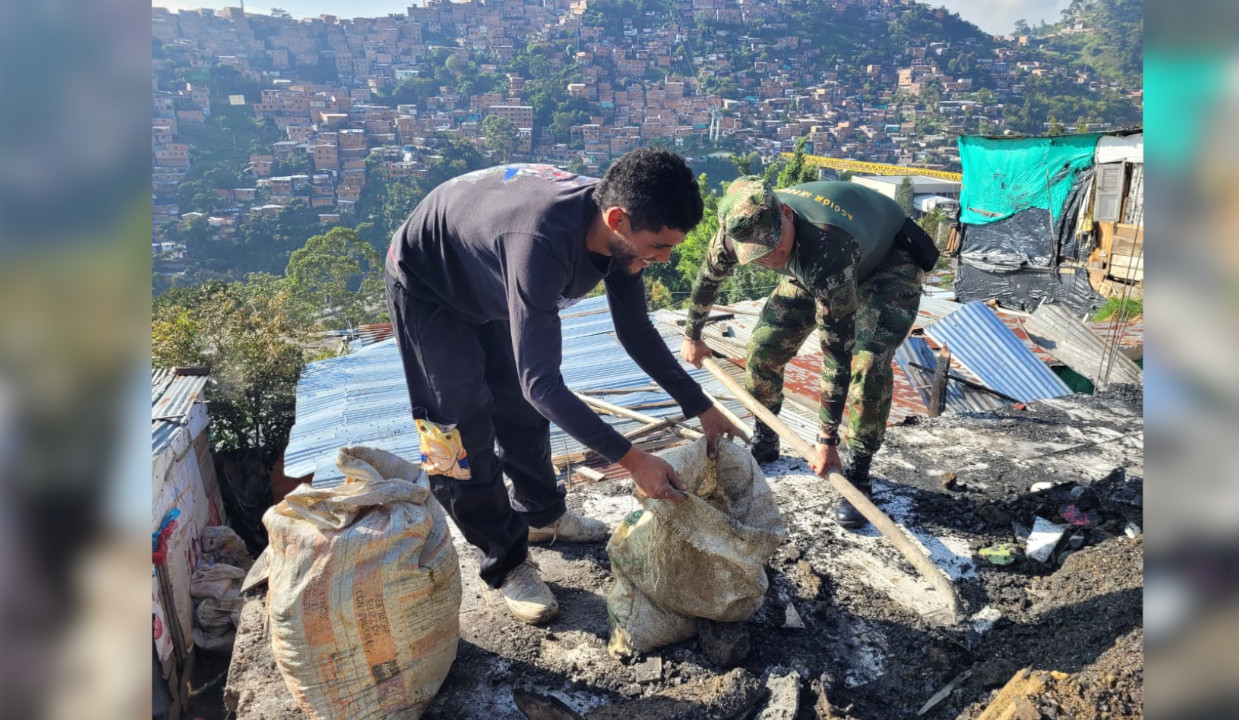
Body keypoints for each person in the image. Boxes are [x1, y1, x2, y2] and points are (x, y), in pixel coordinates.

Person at [385, 148, 746, 625]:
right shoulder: (541, 243)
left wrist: (700, 404)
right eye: (659, 246)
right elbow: (545, 385)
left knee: (520, 405)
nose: (664, 259)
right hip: (430, 283)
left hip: (491, 276)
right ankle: (506, 562)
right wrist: (634, 461)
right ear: (617, 220)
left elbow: (636, 331)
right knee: (458, 434)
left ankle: (541, 514)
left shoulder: (622, 226)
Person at [680, 176, 939, 530]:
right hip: (814, 265)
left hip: (888, 261)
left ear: (786, 214)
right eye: (757, 256)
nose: (769, 260)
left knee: (867, 362)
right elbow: (707, 281)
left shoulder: (826, 249)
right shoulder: (734, 232)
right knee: (763, 347)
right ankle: (767, 434)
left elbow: (837, 356)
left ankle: (859, 472)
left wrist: (826, 441)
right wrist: (692, 335)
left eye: (773, 248)